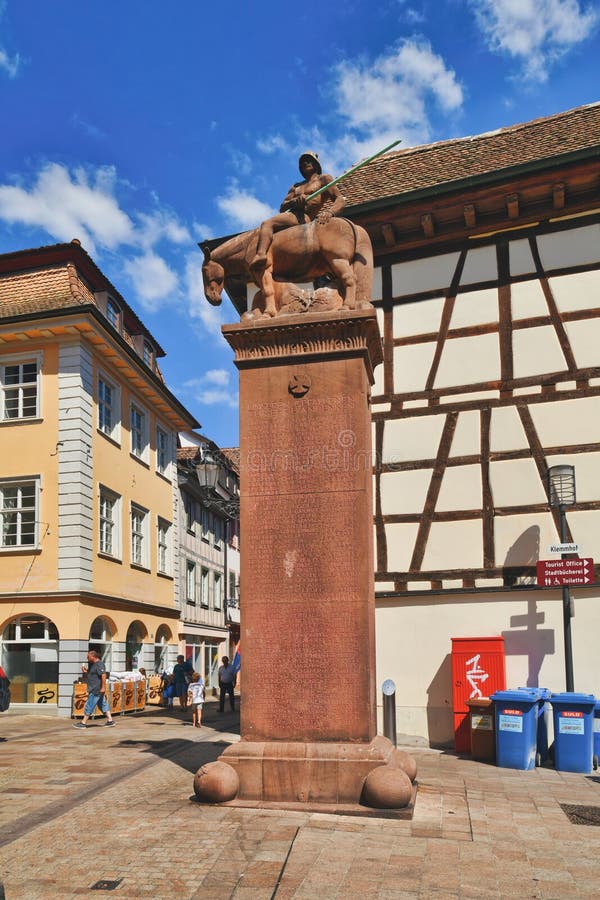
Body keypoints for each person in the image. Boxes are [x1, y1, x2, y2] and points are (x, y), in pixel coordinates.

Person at [250, 151, 345, 270]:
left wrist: (330, 212)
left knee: (267, 223)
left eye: (309, 160)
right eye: (303, 162)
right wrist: (294, 202)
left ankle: (260, 255)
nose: (306, 163)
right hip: (293, 214)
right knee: (266, 224)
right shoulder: (296, 187)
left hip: (304, 217)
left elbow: (340, 199)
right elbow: (282, 207)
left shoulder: (324, 179)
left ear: (315, 164)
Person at [73, 649, 115, 728]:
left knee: (90, 704)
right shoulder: (93, 665)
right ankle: (110, 720)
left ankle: (83, 723)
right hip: (96, 688)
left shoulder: (99, 664)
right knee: (102, 704)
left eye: (88, 657)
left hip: (96, 689)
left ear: (93, 656)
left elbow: (103, 675)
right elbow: (92, 675)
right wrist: (86, 672)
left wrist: (103, 687)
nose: (87, 658)